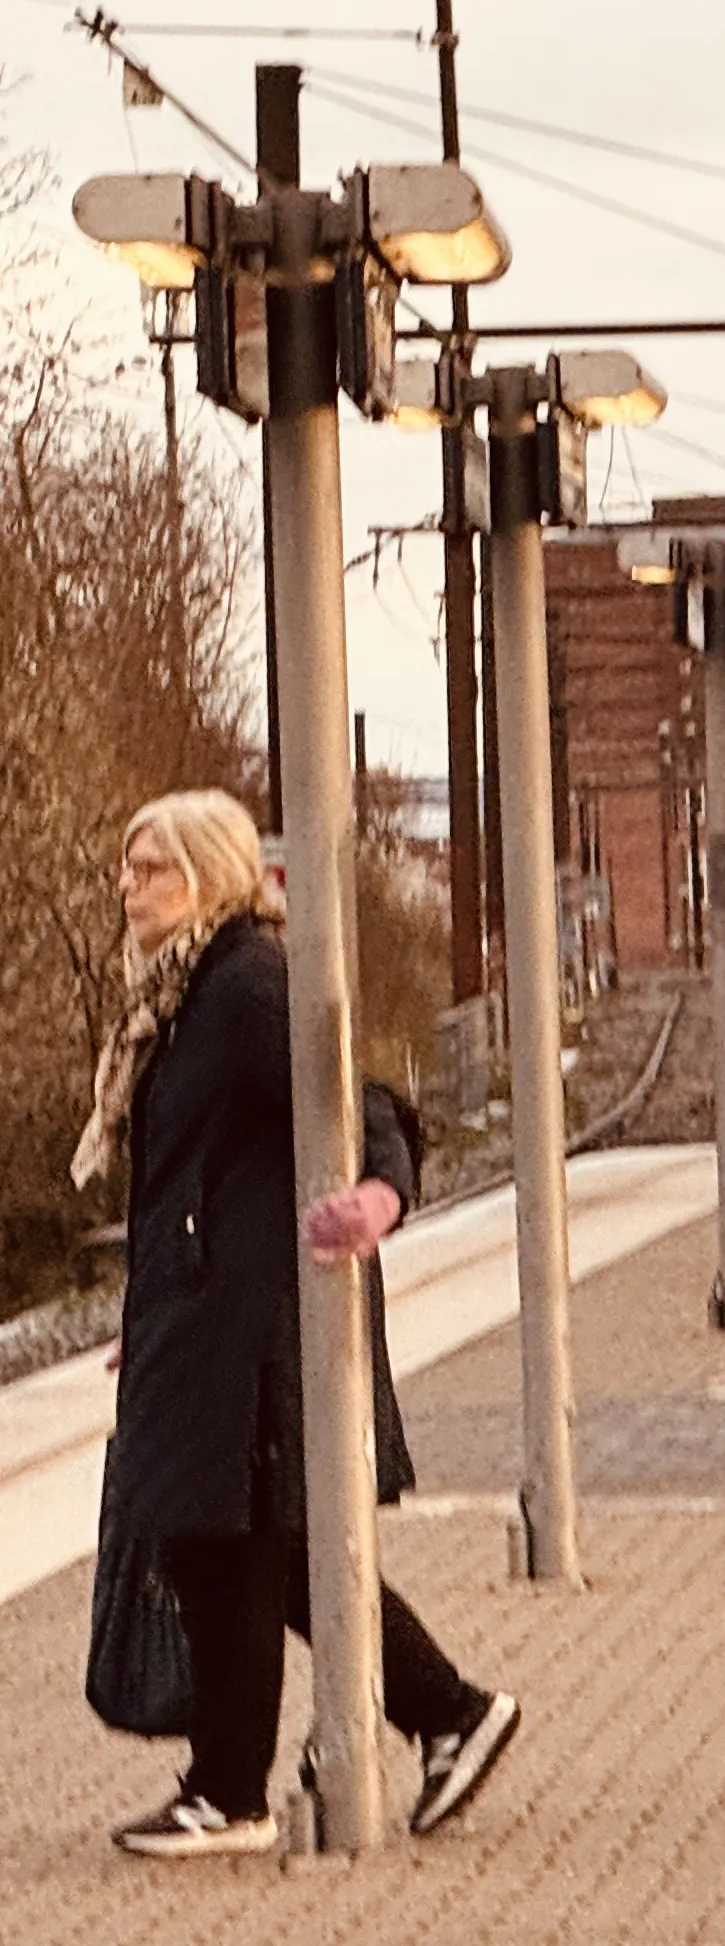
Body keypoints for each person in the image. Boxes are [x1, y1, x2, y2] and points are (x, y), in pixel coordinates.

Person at [80, 789, 519, 1860]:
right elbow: (194, 1175)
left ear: (215, 874)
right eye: (128, 869)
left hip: (252, 1326)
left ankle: (239, 1790)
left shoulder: (244, 984)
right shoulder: (185, 995)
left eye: (155, 869)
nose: (130, 888)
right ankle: (444, 1713)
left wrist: (380, 1194)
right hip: (205, 1314)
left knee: (231, 1545)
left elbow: (355, 1097)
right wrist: (154, 1310)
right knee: (259, 1550)